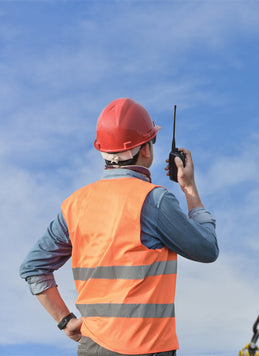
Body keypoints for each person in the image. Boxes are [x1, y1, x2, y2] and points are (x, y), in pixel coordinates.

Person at [19, 98, 219, 356]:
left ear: (103, 151)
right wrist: (189, 188)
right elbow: (207, 249)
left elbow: (33, 268)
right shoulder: (154, 200)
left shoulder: (74, 205)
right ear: (145, 150)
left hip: (92, 347)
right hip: (146, 349)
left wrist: (65, 321)